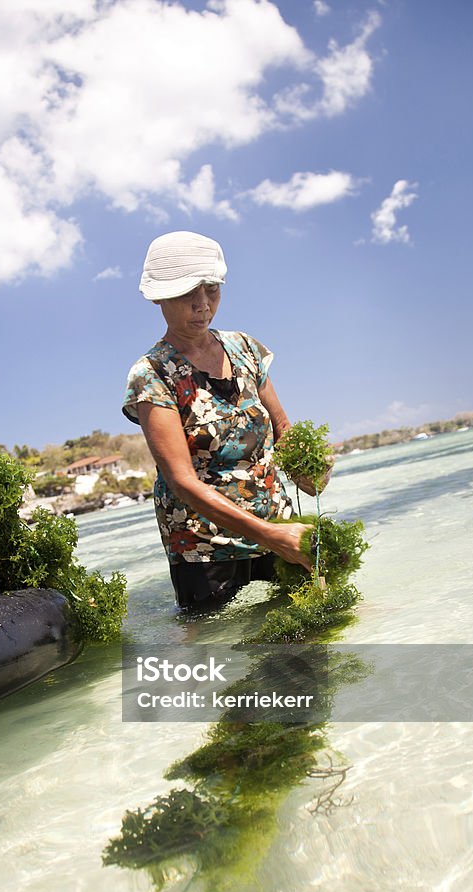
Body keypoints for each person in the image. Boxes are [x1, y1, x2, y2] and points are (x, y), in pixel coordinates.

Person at [122, 230, 330, 609]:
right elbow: (182, 482)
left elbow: (282, 428)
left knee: (314, 637)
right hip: (205, 550)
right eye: (188, 293)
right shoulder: (151, 374)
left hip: (280, 526)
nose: (202, 304)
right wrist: (267, 536)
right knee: (223, 658)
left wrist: (310, 466)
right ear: (158, 296)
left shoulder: (245, 348)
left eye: (212, 289)